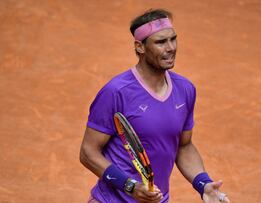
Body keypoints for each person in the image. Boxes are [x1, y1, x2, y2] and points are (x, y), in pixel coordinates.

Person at [79, 8, 231, 203]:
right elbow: (88, 152)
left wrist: (203, 184)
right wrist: (130, 186)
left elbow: (183, 146)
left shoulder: (185, 89)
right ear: (140, 47)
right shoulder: (116, 92)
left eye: (173, 39)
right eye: (160, 42)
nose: (171, 48)